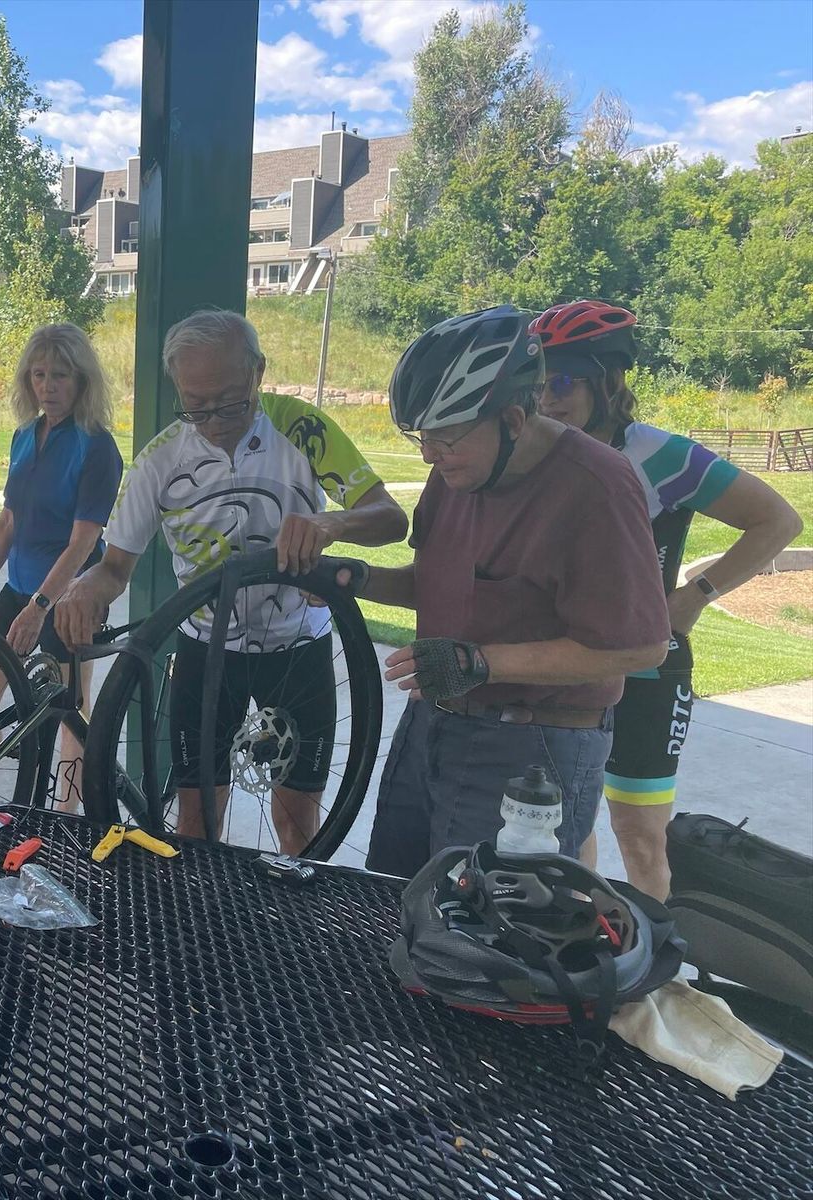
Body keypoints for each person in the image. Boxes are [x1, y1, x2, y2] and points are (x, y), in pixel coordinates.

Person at [54, 309, 408, 849]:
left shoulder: (301, 428)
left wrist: (330, 523)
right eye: (196, 407)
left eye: (231, 401)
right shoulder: (161, 459)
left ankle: (290, 901)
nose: (215, 419)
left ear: (258, 372)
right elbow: (115, 568)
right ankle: (203, 903)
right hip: (205, 650)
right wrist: (82, 589)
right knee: (195, 822)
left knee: (297, 825)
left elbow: (390, 519)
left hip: (298, 646)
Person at [340, 305, 672, 879]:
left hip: (532, 747)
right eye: (421, 437)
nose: (428, 455)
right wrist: (360, 579)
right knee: (393, 897)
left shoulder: (597, 486)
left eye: (444, 438)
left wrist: (479, 663)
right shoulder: (460, 469)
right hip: (433, 724)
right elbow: (444, 585)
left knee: (492, 921)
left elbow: (638, 647)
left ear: (514, 419)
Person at [530, 300, 802, 898]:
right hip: (566, 666)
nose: (547, 398)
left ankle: (656, 950)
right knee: (566, 827)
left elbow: (778, 521)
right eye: (538, 382)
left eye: (564, 382)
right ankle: (584, 937)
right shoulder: (538, 451)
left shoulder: (659, 454)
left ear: (607, 379)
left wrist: (696, 597)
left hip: (649, 673)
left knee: (640, 837)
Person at [0, 324, 124, 807]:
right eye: (39, 374)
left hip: (69, 597)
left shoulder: (97, 447)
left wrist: (40, 607)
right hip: (19, 587)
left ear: (82, 380)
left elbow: (83, 541)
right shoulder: (24, 436)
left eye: (60, 375)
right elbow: (8, 521)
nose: (48, 386)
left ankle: (66, 816)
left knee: (69, 712)